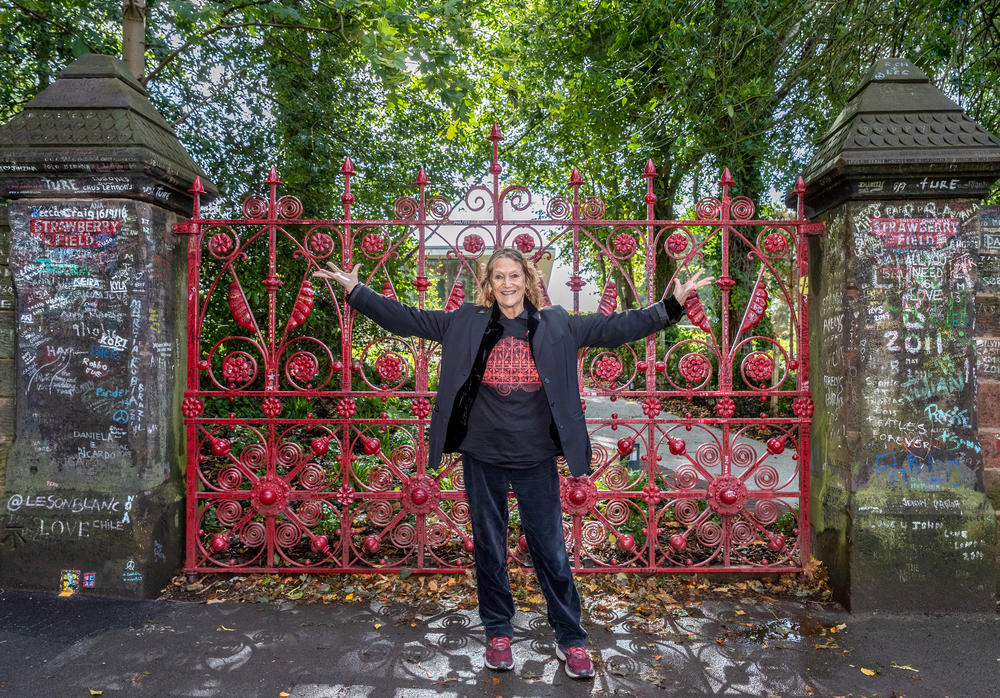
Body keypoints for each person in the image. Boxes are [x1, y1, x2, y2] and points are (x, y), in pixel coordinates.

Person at [314, 248, 712, 679]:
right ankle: (498, 631)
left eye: (515, 276)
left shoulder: (556, 324)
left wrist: (672, 305)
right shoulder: (465, 322)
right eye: (499, 276)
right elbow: (407, 318)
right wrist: (357, 291)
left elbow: (615, 327)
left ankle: (571, 637)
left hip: (535, 458)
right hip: (482, 455)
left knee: (551, 551)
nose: (507, 284)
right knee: (489, 547)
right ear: (490, 283)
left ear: (527, 280)